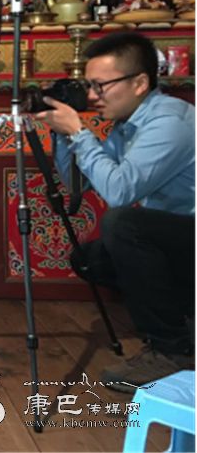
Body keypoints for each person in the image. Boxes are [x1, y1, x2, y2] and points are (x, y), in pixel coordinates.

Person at [35, 31, 195, 391]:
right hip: (181, 237)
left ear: (139, 83)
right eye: (89, 86)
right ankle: (186, 318)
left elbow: (120, 192)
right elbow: (80, 185)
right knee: (90, 260)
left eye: (100, 86)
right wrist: (63, 135)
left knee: (124, 224)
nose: (92, 96)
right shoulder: (128, 125)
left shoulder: (169, 123)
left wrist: (80, 133)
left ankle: (172, 350)